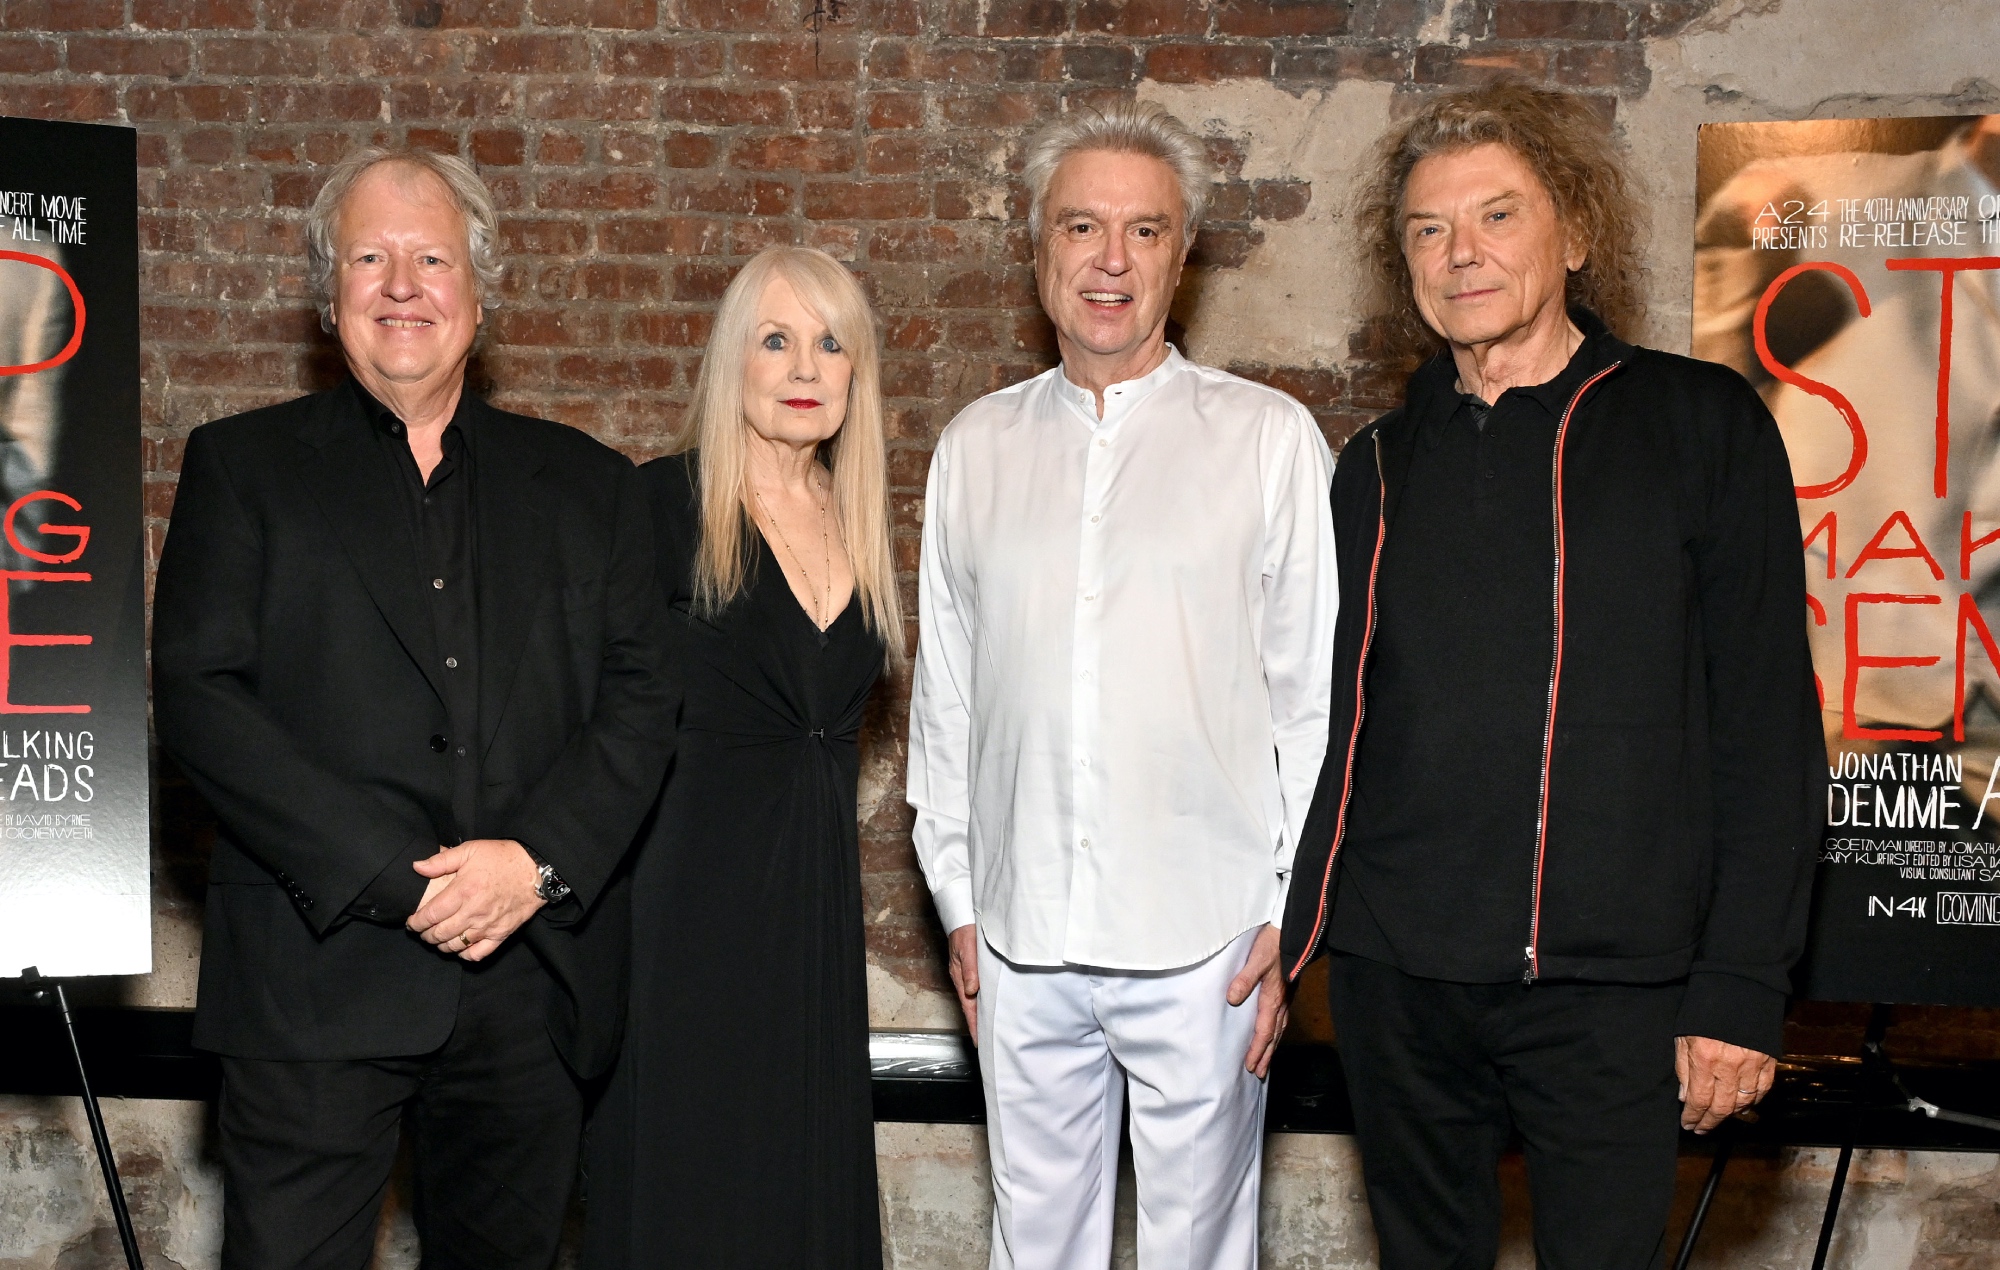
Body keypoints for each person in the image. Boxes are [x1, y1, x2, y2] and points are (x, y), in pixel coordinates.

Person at [1279, 81, 1824, 1267]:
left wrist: (1739, 984)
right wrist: (1301, 935)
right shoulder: (1373, 464)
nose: (1459, 253)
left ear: (1574, 232)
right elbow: (1332, 718)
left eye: (1496, 215)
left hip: (1611, 987)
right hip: (1393, 978)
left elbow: (1765, 724)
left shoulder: (1699, 424)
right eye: (1426, 229)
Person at [152, 147, 675, 1270]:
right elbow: (200, 699)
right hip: (313, 976)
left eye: (432, 259)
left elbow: (642, 699)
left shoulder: (592, 486)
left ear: (478, 291)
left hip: (530, 984)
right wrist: (400, 879)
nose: (402, 285)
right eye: (369, 259)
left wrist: (532, 865)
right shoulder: (241, 468)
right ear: (326, 292)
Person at [907, 102, 1338, 1269]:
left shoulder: (1267, 440)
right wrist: (958, 902)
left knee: (1198, 1246)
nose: (1110, 260)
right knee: (1033, 1243)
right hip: (1018, 934)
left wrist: (1287, 916)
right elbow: (947, 704)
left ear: (1180, 254)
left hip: (1209, 941)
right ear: (1035, 247)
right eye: (1080, 227)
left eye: (1143, 231)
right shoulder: (973, 448)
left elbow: (1313, 704)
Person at [581, 245, 903, 1269]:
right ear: (733, 361)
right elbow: (579, 723)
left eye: (830, 343)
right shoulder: (656, 507)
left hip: (812, 916)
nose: (805, 366)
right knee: (689, 1189)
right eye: (775, 339)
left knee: (798, 1188)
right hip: (679, 917)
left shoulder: (860, 525)